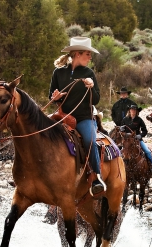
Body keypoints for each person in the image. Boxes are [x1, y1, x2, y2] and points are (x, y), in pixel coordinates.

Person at [49, 36, 106, 196]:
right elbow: (51, 97)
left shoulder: (89, 73)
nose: (90, 57)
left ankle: (96, 178)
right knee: (42, 134)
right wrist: (56, 96)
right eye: (87, 54)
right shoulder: (58, 73)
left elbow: (96, 99)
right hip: (62, 117)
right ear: (77, 54)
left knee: (89, 140)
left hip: (83, 118)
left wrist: (91, 86)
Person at [121, 105, 152, 175]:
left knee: (147, 151)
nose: (133, 111)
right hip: (127, 141)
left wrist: (140, 135)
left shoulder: (139, 120)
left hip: (137, 140)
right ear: (129, 110)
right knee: (119, 153)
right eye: (132, 110)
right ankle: (119, 169)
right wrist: (121, 130)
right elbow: (121, 131)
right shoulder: (124, 119)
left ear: (136, 111)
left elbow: (145, 131)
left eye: (134, 110)